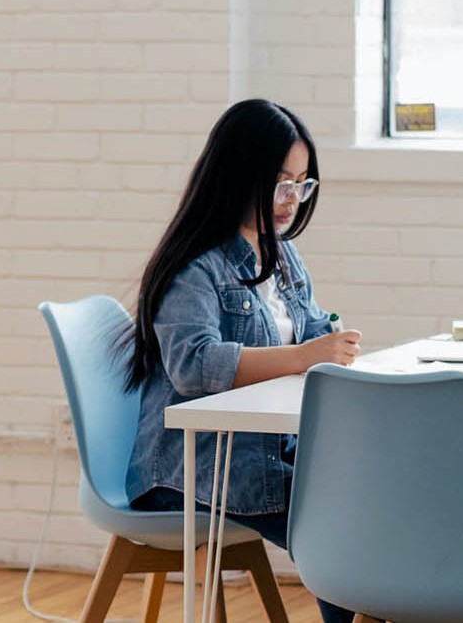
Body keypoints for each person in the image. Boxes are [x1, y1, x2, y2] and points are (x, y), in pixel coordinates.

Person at [121, 99, 360, 623]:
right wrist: (302, 355)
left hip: (264, 454)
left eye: (302, 184)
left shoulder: (283, 255)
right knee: (339, 519)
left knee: (364, 490)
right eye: (279, 183)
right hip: (193, 470)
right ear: (237, 175)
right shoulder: (195, 266)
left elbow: (311, 328)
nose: (291, 199)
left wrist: (332, 344)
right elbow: (193, 364)